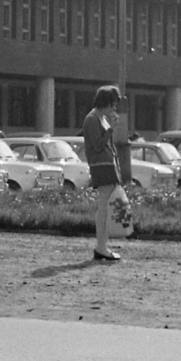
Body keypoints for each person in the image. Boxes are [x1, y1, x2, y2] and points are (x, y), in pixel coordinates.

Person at [83, 85, 125, 261]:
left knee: (107, 207)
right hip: (101, 166)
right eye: (113, 104)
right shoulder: (92, 119)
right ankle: (101, 247)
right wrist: (111, 129)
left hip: (108, 166)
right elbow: (98, 145)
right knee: (104, 207)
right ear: (105, 102)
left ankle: (102, 246)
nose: (114, 108)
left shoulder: (101, 118)